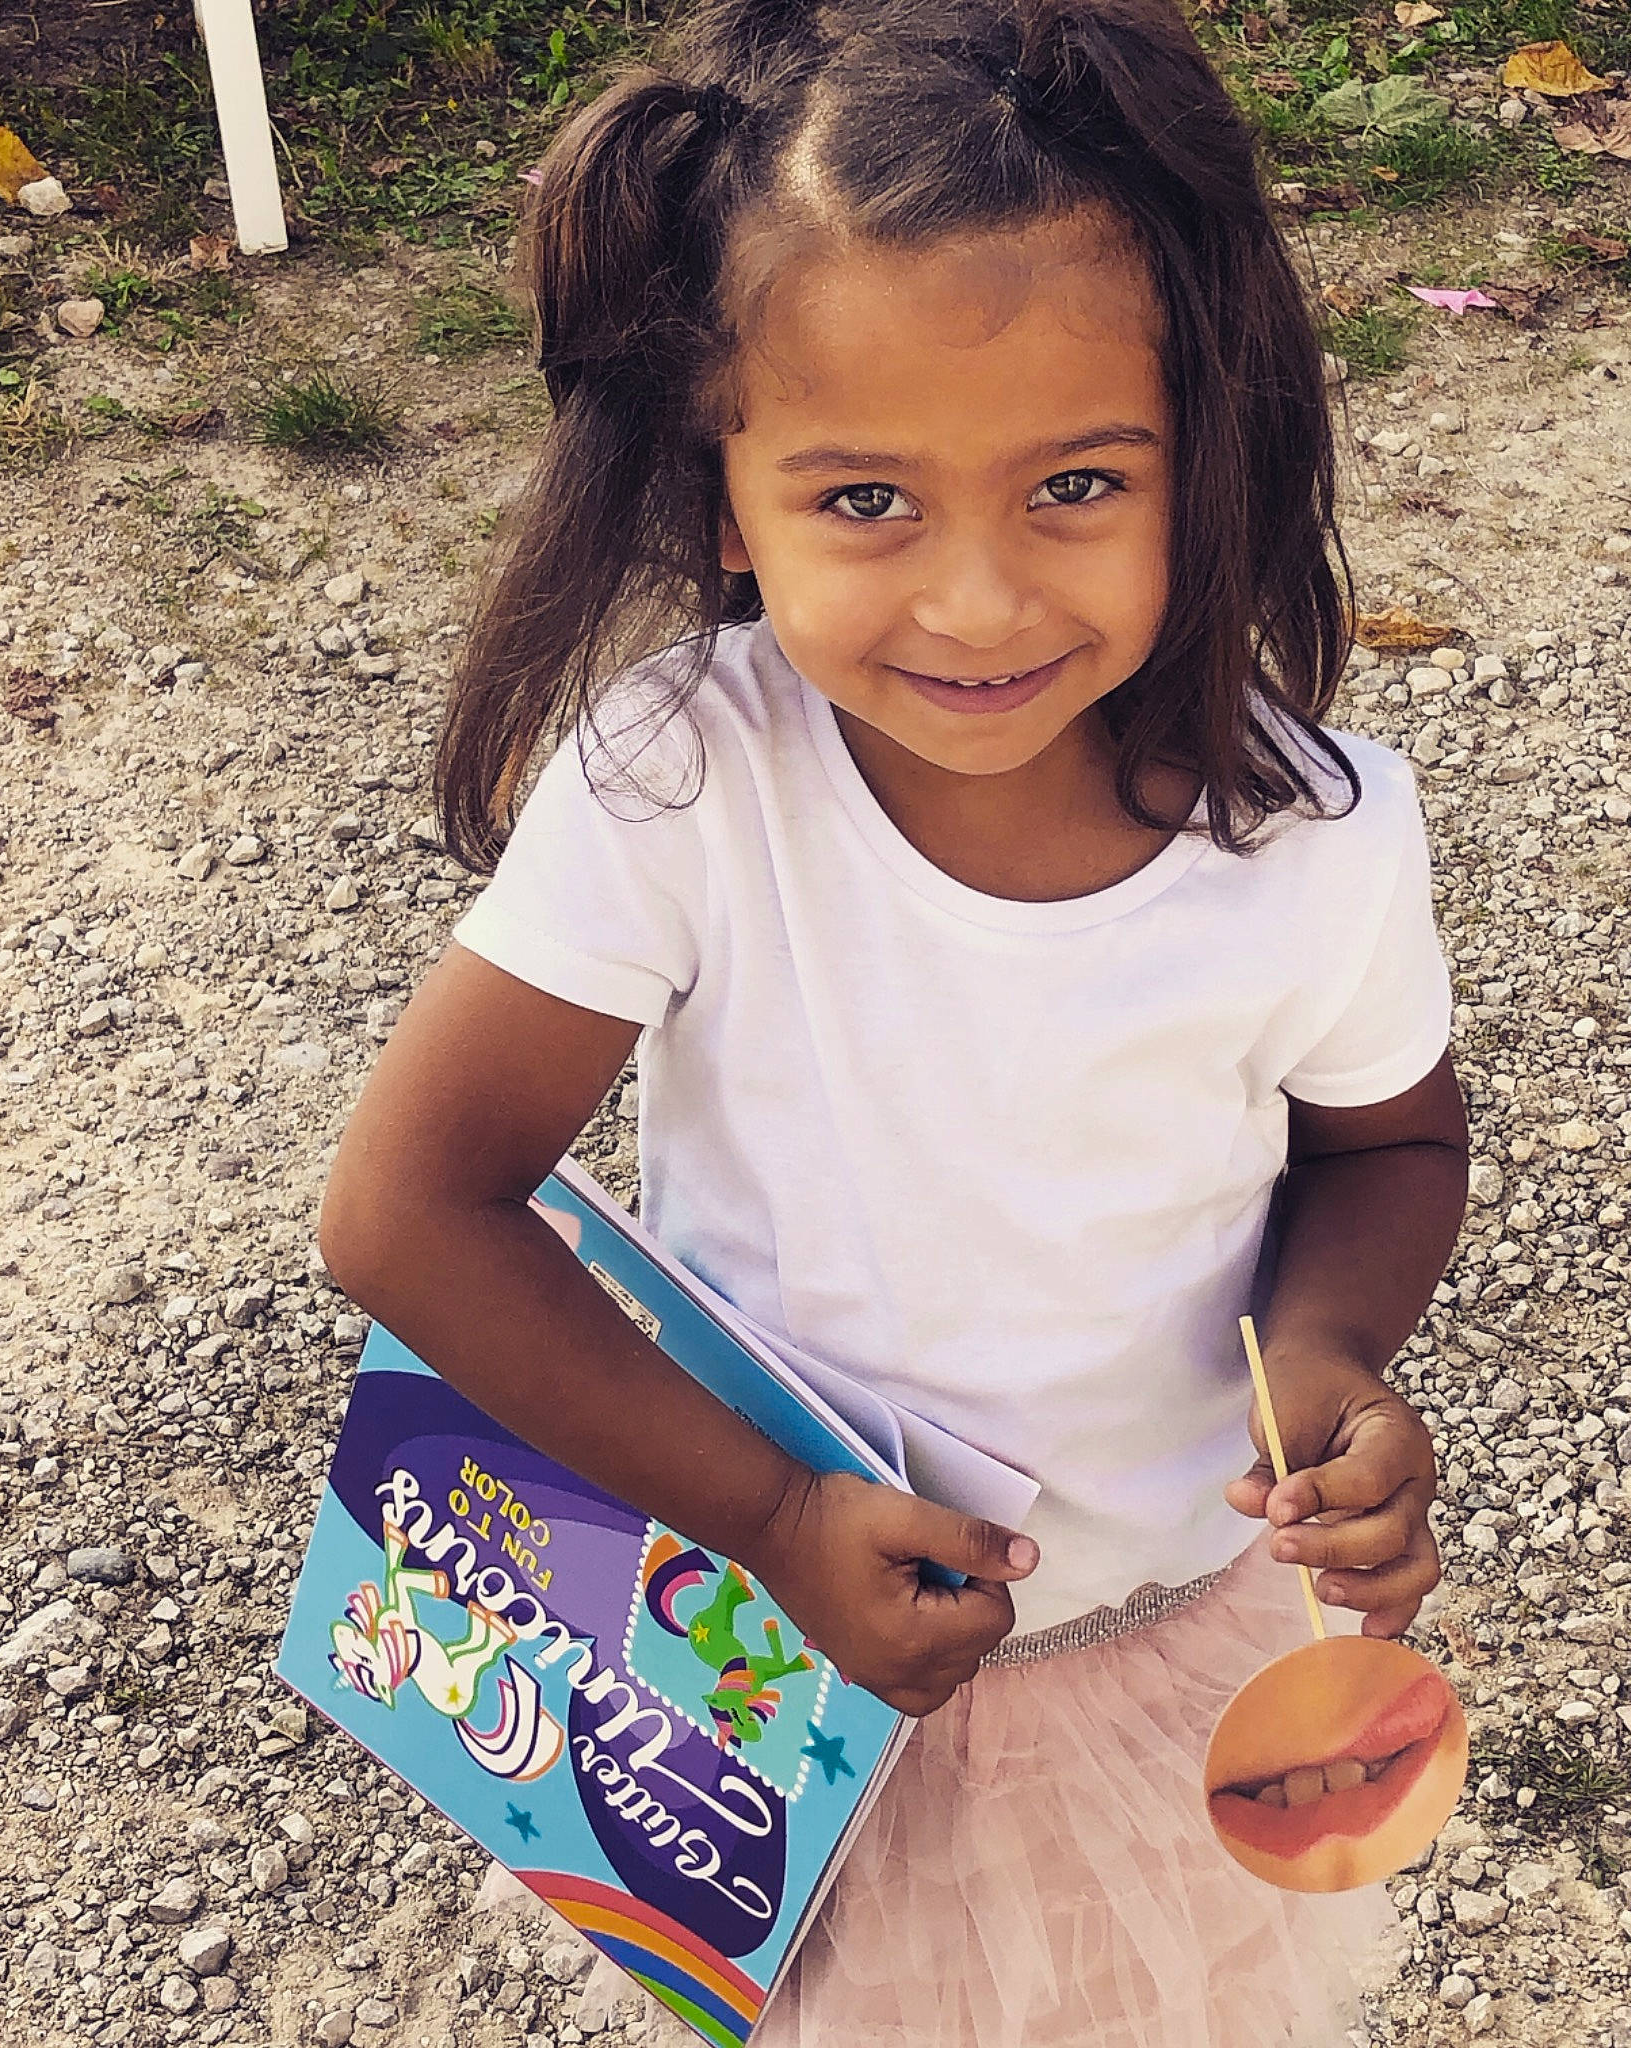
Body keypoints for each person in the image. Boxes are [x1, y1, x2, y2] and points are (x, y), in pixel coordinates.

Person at [317, 0, 1470, 2039]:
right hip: (769, 1659)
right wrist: (763, 1521)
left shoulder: (1315, 836)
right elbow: (409, 1210)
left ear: (1211, 443)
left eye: (1077, 483)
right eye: (865, 499)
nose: (974, 602)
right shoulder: (682, 782)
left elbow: (1385, 1143)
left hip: (1164, 1659)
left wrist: (1321, 1356)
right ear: (721, 476)